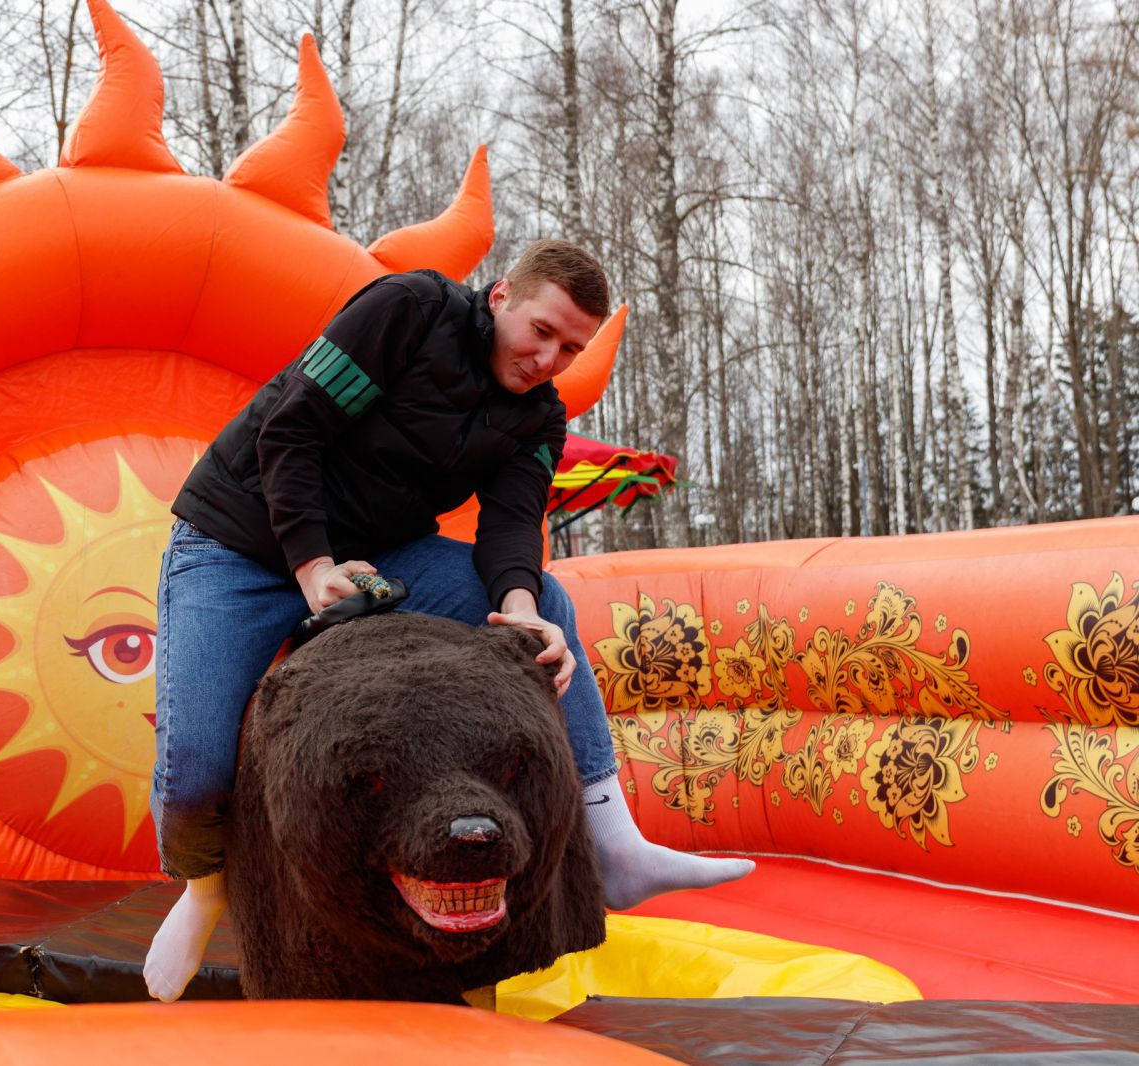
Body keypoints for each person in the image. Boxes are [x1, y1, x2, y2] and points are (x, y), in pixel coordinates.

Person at [143, 239, 752, 1003]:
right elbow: (290, 431)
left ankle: (614, 843)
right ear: (500, 297)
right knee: (195, 770)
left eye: (571, 349)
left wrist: (520, 614)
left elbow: (511, 525)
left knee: (547, 604)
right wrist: (313, 567)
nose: (548, 360)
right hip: (238, 539)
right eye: (541, 331)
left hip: (382, 549)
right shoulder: (407, 311)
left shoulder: (538, 416)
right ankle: (202, 891)